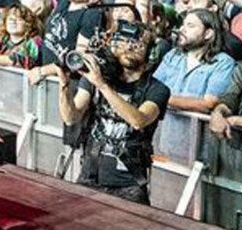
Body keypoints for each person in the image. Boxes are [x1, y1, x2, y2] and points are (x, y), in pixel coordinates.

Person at [58, 19, 168, 205]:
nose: (129, 47)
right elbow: (71, 117)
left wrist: (101, 85)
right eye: (123, 41)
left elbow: (138, 120)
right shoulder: (97, 76)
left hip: (129, 184)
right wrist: (64, 85)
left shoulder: (157, 89)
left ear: (150, 52)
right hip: (90, 176)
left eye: (137, 44)